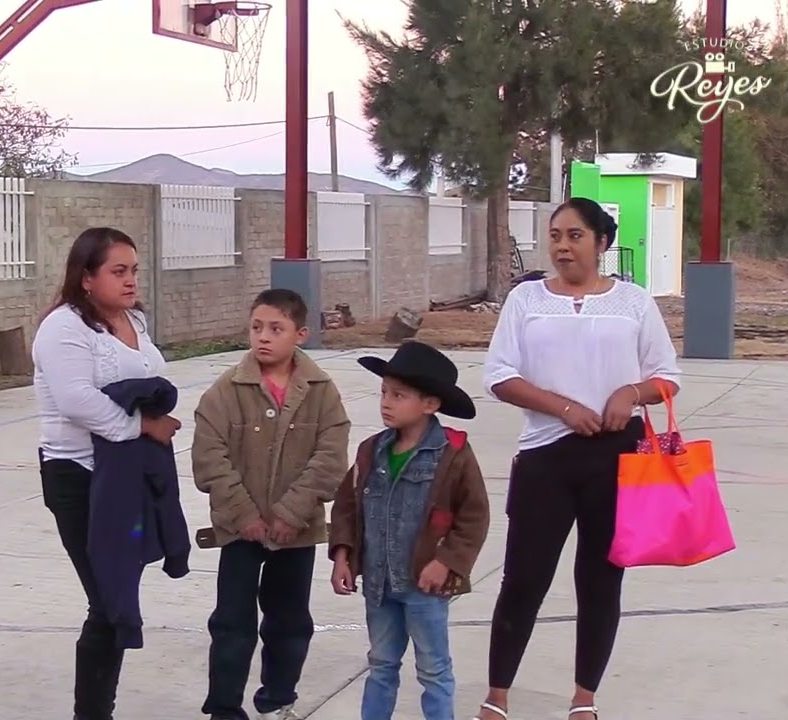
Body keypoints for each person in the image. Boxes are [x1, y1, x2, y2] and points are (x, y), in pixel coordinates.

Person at [473, 197, 682, 720]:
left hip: (617, 459)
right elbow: (498, 376)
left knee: (600, 578)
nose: (562, 246)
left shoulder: (634, 303)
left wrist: (630, 393)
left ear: (602, 242)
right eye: (555, 236)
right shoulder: (526, 301)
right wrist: (562, 407)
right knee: (523, 578)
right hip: (546, 457)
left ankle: (584, 697)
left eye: (575, 236)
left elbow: (667, 377)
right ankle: (497, 695)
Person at [31, 226, 182, 720]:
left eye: (134, 270)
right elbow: (77, 401)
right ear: (87, 278)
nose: (131, 280)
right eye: (118, 271)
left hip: (124, 477)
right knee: (107, 598)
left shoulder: (133, 319)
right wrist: (144, 427)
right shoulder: (63, 327)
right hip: (77, 478)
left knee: (118, 593)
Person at [192, 288, 352, 720]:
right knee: (231, 623)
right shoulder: (226, 390)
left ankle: (278, 700)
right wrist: (244, 515)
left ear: (299, 334)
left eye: (276, 329)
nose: (263, 337)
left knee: (288, 622)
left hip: (295, 533)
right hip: (240, 532)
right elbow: (209, 456)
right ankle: (224, 707)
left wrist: (289, 514)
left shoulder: (321, 392)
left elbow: (331, 457)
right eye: (256, 327)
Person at [327, 341, 490, 720]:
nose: (386, 402)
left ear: (430, 404)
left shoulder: (453, 453)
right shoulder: (370, 451)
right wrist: (342, 555)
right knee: (381, 664)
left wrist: (447, 562)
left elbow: (475, 516)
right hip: (380, 585)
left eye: (398, 395)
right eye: (384, 392)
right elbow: (346, 507)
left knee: (433, 669)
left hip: (425, 587)